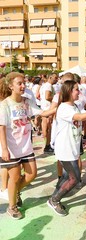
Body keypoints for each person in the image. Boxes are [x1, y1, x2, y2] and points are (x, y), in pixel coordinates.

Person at [47, 80, 86, 216]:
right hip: (65, 148)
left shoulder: (74, 105)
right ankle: (54, 200)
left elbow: (85, 115)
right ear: (69, 91)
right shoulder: (64, 108)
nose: (79, 92)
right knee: (74, 178)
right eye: (76, 89)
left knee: (66, 176)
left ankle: (55, 195)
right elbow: (81, 117)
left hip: (72, 148)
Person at [0, 72, 55, 219]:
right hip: (11, 148)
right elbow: (2, 128)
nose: (23, 85)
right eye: (19, 83)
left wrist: (58, 104)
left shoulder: (27, 101)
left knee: (31, 175)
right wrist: (4, 149)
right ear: (10, 86)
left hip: (26, 146)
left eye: (24, 82)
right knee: (15, 177)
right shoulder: (4, 105)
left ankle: (14, 192)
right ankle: (12, 207)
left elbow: (43, 112)